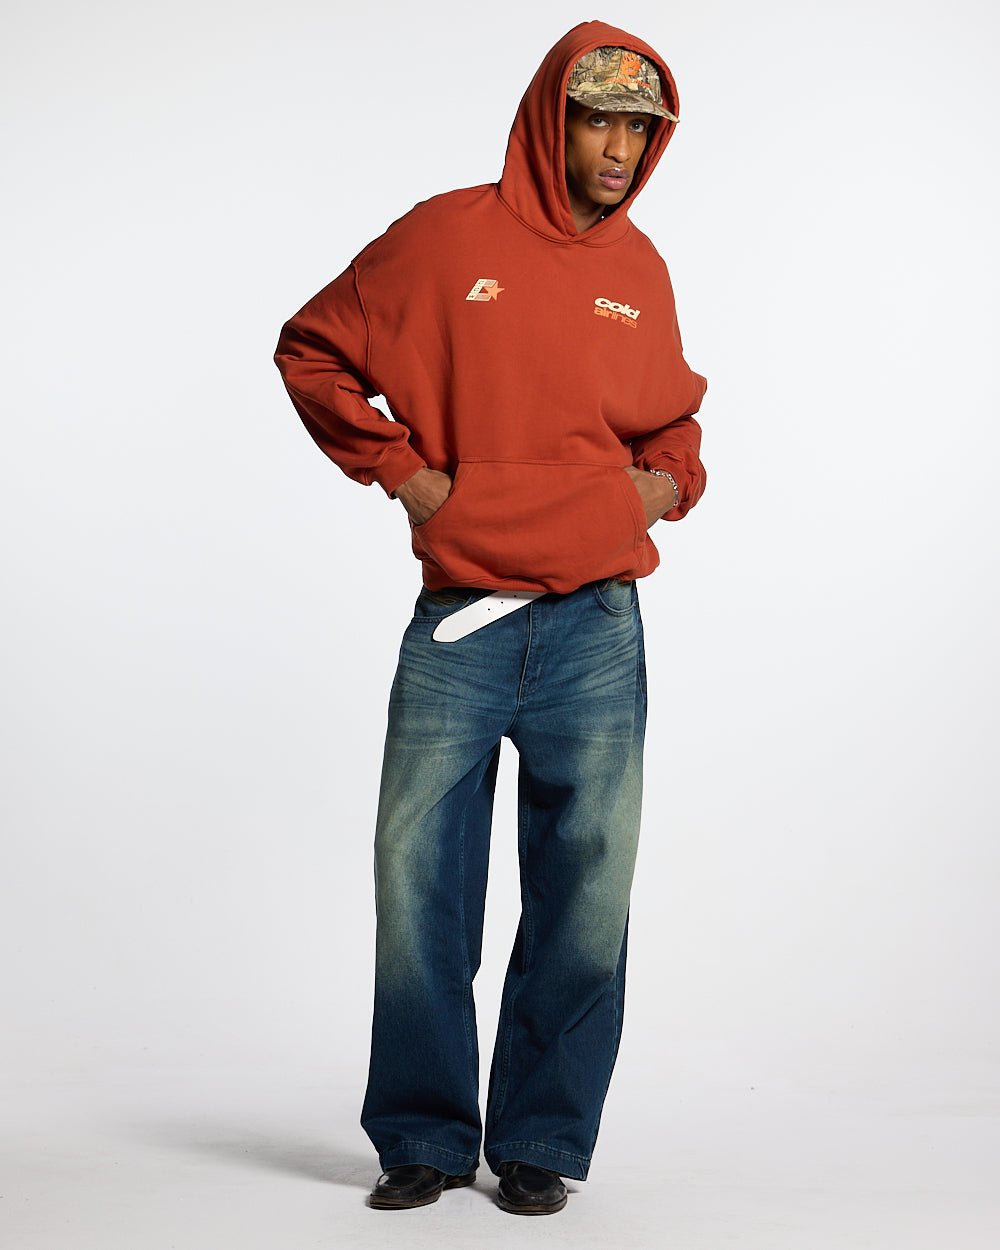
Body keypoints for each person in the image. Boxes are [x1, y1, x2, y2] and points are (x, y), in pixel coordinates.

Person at [273, 20, 708, 1217]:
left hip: (595, 627)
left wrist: (656, 488)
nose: (618, 148)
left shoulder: (639, 270)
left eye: (640, 128)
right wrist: (406, 474)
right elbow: (311, 347)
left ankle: (539, 1137)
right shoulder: (444, 237)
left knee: (587, 896)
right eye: (599, 118)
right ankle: (420, 1134)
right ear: (550, 117)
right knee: (418, 884)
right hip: (460, 623)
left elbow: (672, 422)